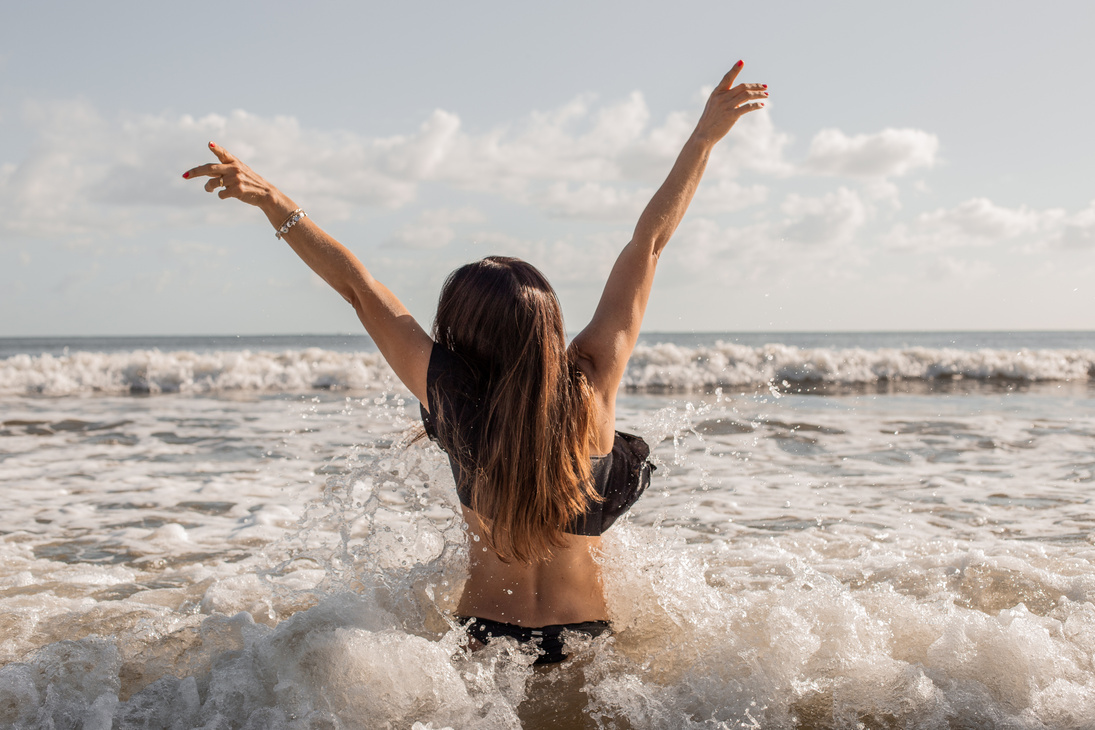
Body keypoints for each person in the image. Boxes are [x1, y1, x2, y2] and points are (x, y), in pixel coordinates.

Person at [183, 62, 767, 665]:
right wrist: (704, 137)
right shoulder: (592, 381)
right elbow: (649, 243)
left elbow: (358, 286)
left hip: (483, 643)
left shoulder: (451, 396)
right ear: (548, 325)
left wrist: (272, 200)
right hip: (587, 642)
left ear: (460, 330)